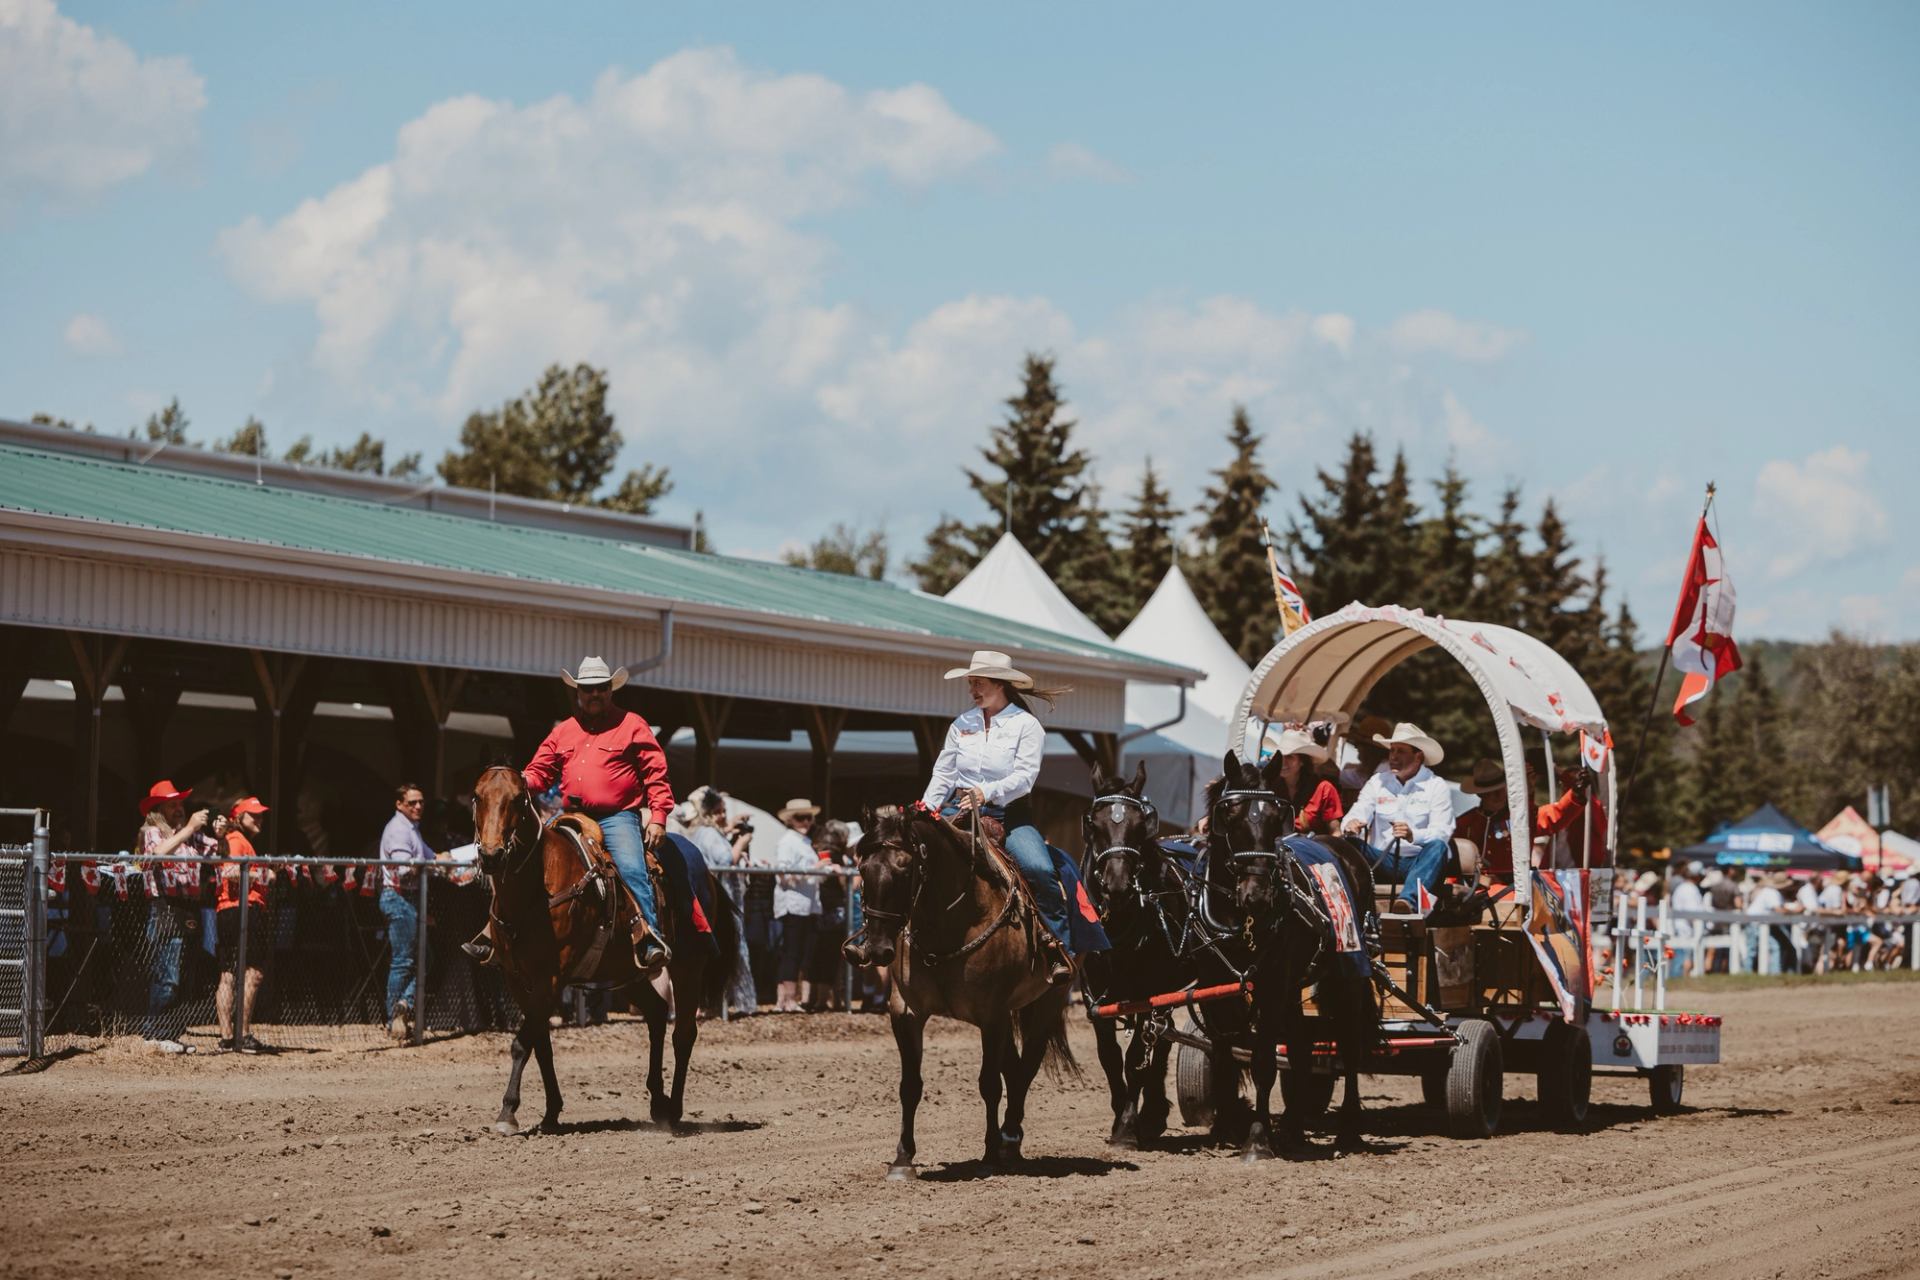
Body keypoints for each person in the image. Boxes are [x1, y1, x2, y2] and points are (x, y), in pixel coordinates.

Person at [466, 656, 675, 973]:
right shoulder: (564, 731)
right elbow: (539, 772)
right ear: (578, 692)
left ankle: (647, 938)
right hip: (572, 816)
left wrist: (658, 816)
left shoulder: (632, 725)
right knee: (522, 858)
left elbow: (655, 773)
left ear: (610, 690)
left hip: (618, 816)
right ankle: (492, 932)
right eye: (588, 689)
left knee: (632, 867)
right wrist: (516, 782)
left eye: (600, 688)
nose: (594, 694)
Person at [921, 649, 1074, 985]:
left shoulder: (1026, 725)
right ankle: (902, 941)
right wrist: (927, 808)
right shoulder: (962, 724)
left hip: (1010, 816)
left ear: (1001, 685)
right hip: (958, 810)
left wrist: (985, 793)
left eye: (980, 683)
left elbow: (1025, 776)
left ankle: (1056, 947)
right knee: (915, 860)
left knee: (1038, 868)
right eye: (971, 683)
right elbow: (943, 774)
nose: (973, 689)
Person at [136, 779, 220, 1054]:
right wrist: (189, 830)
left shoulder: (190, 834)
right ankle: (154, 1034)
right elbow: (156, 855)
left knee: (184, 979)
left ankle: (171, 1033)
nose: (179, 808)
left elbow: (216, 850)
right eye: (173, 804)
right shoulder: (152, 831)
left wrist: (220, 830)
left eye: (180, 803)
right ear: (159, 808)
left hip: (190, 909)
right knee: (167, 977)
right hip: (165, 907)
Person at [1340, 723, 1455, 910]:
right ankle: (1342, 902)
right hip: (1381, 861)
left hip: (1419, 863)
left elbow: (1442, 832)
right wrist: (1351, 823)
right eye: (1392, 750)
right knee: (1348, 843)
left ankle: (1407, 903)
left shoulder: (1436, 785)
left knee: (1438, 847)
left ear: (1418, 756)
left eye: (1401, 751)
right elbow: (1360, 809)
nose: (1393, 756)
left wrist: (1413, 835)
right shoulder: (1377, 781)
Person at [1452, 758, 1594, 884]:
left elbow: (1556, 816)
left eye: (1499, 790)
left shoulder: (1521, 817)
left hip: (1516, 887)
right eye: (1489, 792)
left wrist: (1575, 794)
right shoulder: (1465, 823)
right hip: (1476, 888)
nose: (1496, 796)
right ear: (1480, 794)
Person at [685, 787, 757, 1017]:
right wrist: (742, 842)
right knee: (732, 946)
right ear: (709, 814)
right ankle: (734, 1004)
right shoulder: (707, 833)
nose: (723, 816)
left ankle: (726, 1002)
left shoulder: (707, 832)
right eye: (718, 812)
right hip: (721, 895)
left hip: (723, 894)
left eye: (724, 811)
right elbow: (725, 858)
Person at [379, 781, 439, 1043]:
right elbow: (404, 871)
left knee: (426, 958)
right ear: (399, 804)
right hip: (398, 897)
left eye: (421, 801)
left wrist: (454, 861)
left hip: (412, 899)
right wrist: (431, 865)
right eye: (412, 802)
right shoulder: (398, 830)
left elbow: (431, 857)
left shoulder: (412, 829)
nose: (418, 806)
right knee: (404, 960)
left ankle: (404, 1004)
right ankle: (394, 1019)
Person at [214, 797, 274, 1053]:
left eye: (260, 815)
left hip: (233, 909)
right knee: (250, 972)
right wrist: (263, 874)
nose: (259, 819)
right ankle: (241, 1033)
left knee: (230, 972)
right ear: (239, 817)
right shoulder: (237, 840)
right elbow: (229, 872)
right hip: (241, 909)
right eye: (253, 815)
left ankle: (229, 1036)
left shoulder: (239, 841)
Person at [772, 799, 822, 1013]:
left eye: (809, 817)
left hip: (807, 903)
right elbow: (783, 872)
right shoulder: (788, 841)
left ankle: (786, 999)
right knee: (792, 952)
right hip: (793, 903)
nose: (806, 822)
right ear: (791, 820)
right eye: (801, 817)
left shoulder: (804, 841)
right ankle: (787, 999)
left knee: (799, 952)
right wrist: (814, 868)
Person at [808, 819, 855, 1011]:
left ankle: (823, 998)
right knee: (831, 956)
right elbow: (845, 887)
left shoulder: (820, 853)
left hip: (825, 909)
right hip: (835, 910)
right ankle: (826, 999)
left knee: (822, 954)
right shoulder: (836, 857)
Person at [1274, 728, 1343, 836]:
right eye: (1279, 756)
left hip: (1311, 848)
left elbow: (1335, 832)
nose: (1282, 762)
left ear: (1302, 761)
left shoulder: (1324, 789)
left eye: (1289, 757)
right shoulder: (1270, 786)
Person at [1668, 862, 1707, 977]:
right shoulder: (1689, 890)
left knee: (1681, 962)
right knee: (1682, 964)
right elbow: (1693, 914)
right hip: (1685, 932)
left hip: (1683, 931)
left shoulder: (1684, 888)